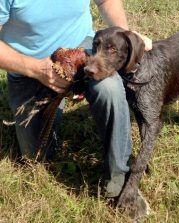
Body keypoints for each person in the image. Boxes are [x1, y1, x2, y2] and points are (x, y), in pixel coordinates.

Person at [0, 0, 152, 205]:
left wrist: (125, 37)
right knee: (35, 156)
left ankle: (119, 182)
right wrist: (36, 69)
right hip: (29, 67)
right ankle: (56, 97)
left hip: (82, 49)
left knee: (109, 88)